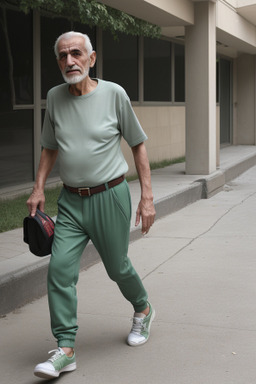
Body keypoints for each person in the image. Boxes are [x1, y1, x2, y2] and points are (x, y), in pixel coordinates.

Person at [27, 31, 156, 380]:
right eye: (63, 56)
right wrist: (38, 187)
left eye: (76, 54)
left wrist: (146, 197)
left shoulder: (114, 94)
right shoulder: (55, 97)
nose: (70, 61)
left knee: (118, 267)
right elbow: (49, 146)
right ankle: (65, 349)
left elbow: (138, 144)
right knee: (59, 272)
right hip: (70, 201)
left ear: (91, 58)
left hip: (110, 196)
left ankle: (143, 309)